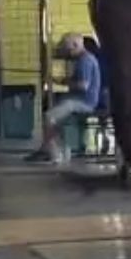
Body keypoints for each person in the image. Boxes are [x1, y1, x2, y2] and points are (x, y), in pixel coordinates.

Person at [30, 33, 104, 164]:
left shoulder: (85, 61)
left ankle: (54, 153)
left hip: (83, 102)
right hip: (81, 100)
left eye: (67, 47)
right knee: (56, 118)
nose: (66, 52)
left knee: (50, 117)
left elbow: (83, 85)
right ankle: (52, 149)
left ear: (75, 45)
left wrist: (62, 81)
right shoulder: (86, 59)